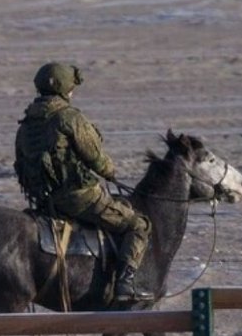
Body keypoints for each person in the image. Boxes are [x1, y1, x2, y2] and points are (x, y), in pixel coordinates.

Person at [14, 62, 153, 303]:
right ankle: (125, 283)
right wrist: (110, 172)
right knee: (138, 225)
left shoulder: (27, 123)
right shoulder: (69, 117)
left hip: (46, 201)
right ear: (66, 88)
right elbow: (96, 158)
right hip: (80, 197)